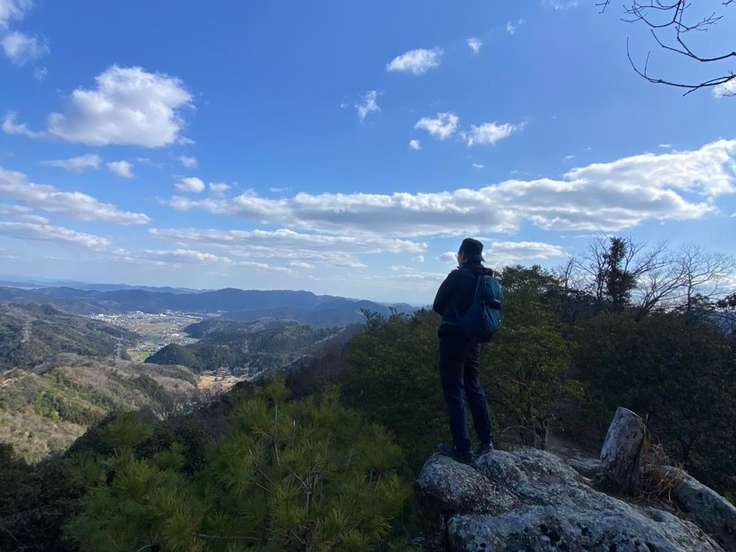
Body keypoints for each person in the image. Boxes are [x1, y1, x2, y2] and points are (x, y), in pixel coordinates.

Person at [432, 238, 495, 463]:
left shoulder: (457, 276)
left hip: (453, 338)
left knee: (454, 391)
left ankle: (463, 448)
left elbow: (438, 304)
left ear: (462, 255)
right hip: (474, 340)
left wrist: (455, 314)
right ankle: (487, 442)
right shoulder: (487, 277)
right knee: (474, 387)